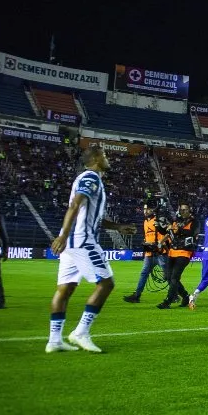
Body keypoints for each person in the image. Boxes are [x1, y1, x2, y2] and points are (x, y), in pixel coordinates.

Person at [46, 145, 135, 353]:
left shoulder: (89, 179)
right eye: (104, 155)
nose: (107, 158)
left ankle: (54, 340)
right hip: (82, 240)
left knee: (65, 289)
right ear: (96, 158)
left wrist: (117, 227)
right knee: (106, 284)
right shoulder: (91, 178)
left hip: (72, 243)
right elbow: (75, 206)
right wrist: (64, 235)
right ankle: (81, 332)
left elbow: (90, 214)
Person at [123, 200, 167, 304]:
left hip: (161, 252)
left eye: (148, 209)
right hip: (149, 253)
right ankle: (137, 296)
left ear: (153, 210)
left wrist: (161, 243)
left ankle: (175, 294)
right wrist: (145, 242)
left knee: (168, 276)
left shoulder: (159, 220)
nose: (145, 211)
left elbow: (168, 233)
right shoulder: (145, 222)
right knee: (144, 273)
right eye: (144, 209)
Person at [157, 202, 197, 309]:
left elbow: (191, 233)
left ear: (189, 210)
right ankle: (186, 296)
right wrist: (161, 241)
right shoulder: (176, 221)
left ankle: (168, 301)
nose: (183, 211)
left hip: (184, 252)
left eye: (185, 209)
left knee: (174, 277)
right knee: (169, 278)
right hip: (172, 252)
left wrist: (176, 229)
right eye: (181, 209)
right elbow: (169, 233)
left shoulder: (194, 221)